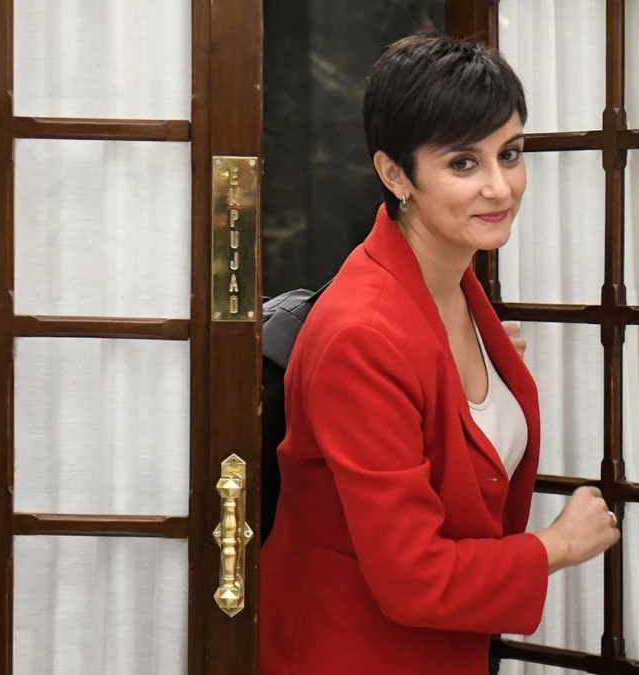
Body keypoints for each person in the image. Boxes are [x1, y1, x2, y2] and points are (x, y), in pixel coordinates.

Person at [257, 32, 620, 675]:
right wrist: (555, 547)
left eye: (509, 153)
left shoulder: (452, 286)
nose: (499, 187)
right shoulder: (364, 334)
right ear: (395, 173)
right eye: (462, 164)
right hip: (351, 654)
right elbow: (414, 576)